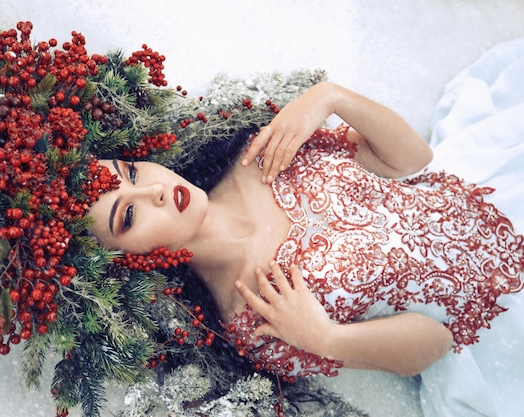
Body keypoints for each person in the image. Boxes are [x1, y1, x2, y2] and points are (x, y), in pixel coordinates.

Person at [88, 37, 524, 417]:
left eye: (132, 173)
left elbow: (413, 160)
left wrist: (330, 97)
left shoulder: (258, 153)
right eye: (128, 216)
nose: (154, 192)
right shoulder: (249, 320)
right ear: (128, 264)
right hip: (504, 309)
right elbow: (435, 343)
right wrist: (326, 339)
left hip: (495, 192)